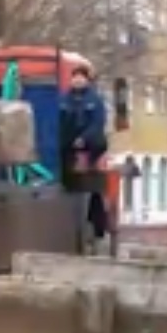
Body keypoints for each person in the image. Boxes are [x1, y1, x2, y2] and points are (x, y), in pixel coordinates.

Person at [59, 66, 110, 240]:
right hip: (68, 146)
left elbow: (97, 124)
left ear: (87, 80)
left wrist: (83, 139)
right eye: (75, 77)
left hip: (90, 146)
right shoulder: (64, 99)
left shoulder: (95, 100)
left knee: (87, 183)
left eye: (81, 77)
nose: (78, 80)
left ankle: (94, 224)